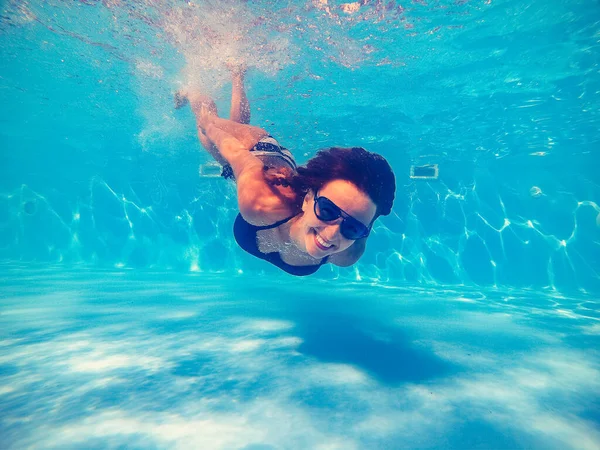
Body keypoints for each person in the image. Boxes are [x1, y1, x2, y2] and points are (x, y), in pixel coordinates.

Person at [176, 68, 395, 276]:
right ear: (308, 198)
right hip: (257, 150)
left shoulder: (348, 253)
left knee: (234, 123)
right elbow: (235, 153)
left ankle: (237, 73)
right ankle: (191, 88)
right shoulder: (261, 202)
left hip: (276, 170)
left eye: (353, 228)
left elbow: (367, 216)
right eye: (327, 211)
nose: (332, 235)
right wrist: (211, 126)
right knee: (207, 133)